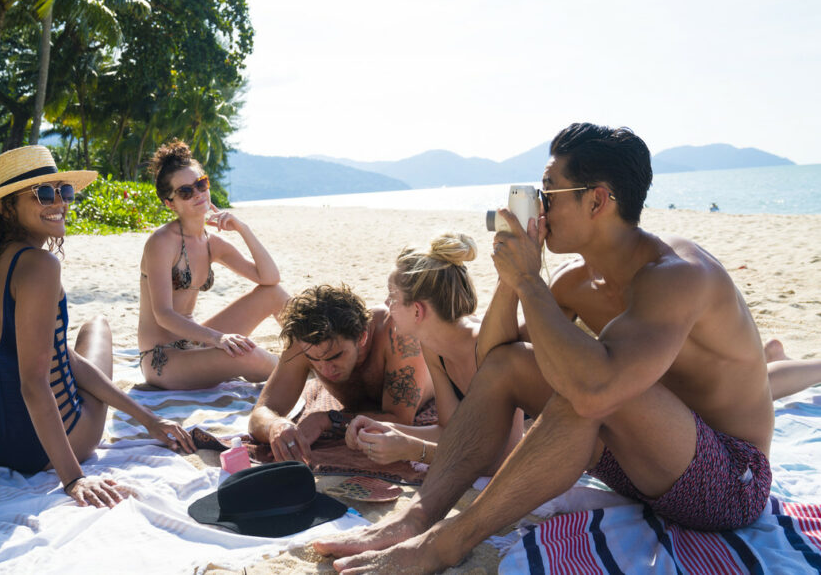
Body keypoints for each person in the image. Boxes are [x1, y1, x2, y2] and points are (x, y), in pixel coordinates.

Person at [314, 123, 787, 572]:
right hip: (641, 468)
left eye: (548, 193)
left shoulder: (676, 277)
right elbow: (494, 363)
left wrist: (528, 279)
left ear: (597, 200)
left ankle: (447, 542)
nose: (538, 206)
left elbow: (597, 392)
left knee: (591, 391)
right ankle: (416, 518)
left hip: (728, 482)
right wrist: (512, 279)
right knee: (522, 367)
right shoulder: (577, 281)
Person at [0, 145, 193, 509]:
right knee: (97, 327)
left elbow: (50, 353)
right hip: (38, 449)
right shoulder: (39, 265)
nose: (60, 203)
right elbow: (33, 383)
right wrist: (74, 478)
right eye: (44, 194)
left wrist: (148, 419)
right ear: (6, 208)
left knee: (67, 348)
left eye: (64, 191)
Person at [344, 233, 524, 467]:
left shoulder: (486, 348)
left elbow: (505, 456)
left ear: (418, 311)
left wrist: (413, 449)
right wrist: (383, 428)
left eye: (393, 297)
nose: (387, 306)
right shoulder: (433, 347)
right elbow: (447, 431)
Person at [138, 140, 289, 390]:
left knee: (273, 295)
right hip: (164, 360)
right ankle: (297, 370)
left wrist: (243, 228)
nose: (198, 194)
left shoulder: (212, 243)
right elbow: (163, 315)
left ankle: (313, 351)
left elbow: (270, 279)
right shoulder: (161, 242)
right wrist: (218, 339)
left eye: (201, 184)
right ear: (170, 203)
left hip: (195, 343)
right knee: (245, 353)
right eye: (186, 192)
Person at [248, 284, 434, 463]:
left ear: (362, 336)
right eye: (314, 360)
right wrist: (276, 426)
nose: (325, 370)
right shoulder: (304, 342)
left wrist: (327, 420)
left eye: (335, 357)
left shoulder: (396, 334)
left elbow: (401, 420)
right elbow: (261, 413)